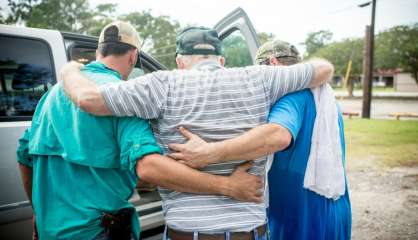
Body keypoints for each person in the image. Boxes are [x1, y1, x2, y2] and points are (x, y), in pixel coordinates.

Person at [59, 26, 334, 240]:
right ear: (221, 59)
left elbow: (87, 99)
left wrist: (69, 69)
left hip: (187, 231)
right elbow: (324, 69)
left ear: (179, 61)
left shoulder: (160, 84)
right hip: (249, 229)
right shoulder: (260, 77)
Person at [16, 22, 263, 240]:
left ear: (98, 51)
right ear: (133, 57)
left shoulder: (51, 96)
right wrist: (227, 185)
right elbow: (149, 168)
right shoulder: (122, 100)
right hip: (98, 230)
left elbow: (24, 157)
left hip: (51, 228)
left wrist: (38, 210)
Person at [169, 39, 352, 240]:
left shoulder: (290, 97)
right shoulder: (326, 99)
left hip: (299, 215)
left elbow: (277, 136)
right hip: (335, 208)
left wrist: (210, 152)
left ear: (272, 64)